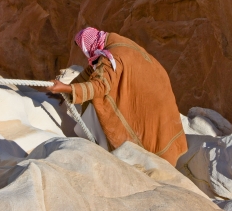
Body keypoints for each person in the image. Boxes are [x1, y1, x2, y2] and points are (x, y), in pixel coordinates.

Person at [47, 27, 187, 166]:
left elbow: (100, 86)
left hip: (149, 98)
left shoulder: (109, 58)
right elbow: (92, 71)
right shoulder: (112, 43)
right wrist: (67, 92)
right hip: (157, 92)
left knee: (148, 135)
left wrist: (67, 88)